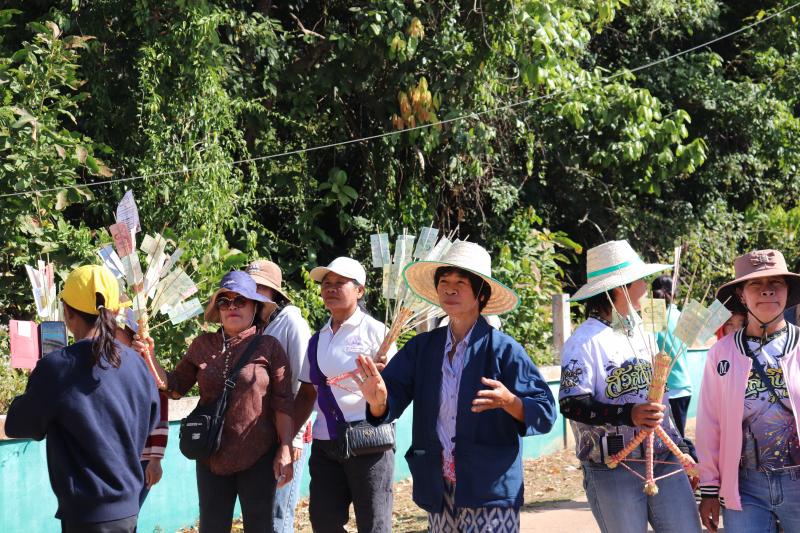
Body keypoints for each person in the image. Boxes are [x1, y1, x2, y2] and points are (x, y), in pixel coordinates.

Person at [355, 240, 557, 532]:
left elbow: (545, 411)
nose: (450, 289)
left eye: (460, 283)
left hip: (488, 486)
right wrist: (378, 402)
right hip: (438, 485)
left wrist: (509, 401)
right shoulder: (422, 348)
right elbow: (390, 396)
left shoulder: (504, 350)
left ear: (481, 294)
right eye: (444, 282)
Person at [560, 240, 701, 533]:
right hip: (612, 466)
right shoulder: (583, 342)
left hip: (663, 459)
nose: (646, 286)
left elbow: (661, 400)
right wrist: (628, 414)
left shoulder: (641, 331)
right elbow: (571, 404)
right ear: (620, 288)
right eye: (640, 280)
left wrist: (682, 448)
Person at [138, 270, 295, 533]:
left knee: (260, 527)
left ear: (255, 307)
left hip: (258, 455)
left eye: (240, 300)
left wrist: (286, 448)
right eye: (224, 301)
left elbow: (283, 403)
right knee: (212, 527)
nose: (232, 307)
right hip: (210, 454)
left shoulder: (269, 347)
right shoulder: (202, 345)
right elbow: (174, 387)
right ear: (218, 309)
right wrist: (149, 356)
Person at [5, 265, 159, 532]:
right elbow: (150, 422)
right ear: (115, 312)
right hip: (129, 511)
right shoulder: (137, 364)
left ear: (67, 312)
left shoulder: (57, 367)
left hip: (86, 516)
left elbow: (18, 425)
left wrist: (38, 382)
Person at [697, 249, 800, 533]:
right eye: (756, 284)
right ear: (741, 295)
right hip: (745, 487)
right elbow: (709, 423)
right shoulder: (721, 353)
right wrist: (709, 489)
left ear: (787, 291)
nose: (767, 291)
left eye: (776, 283)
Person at [293, 257, 396, 533]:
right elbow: (307, 392)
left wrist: (383, 379)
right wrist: (289, 438)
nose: (330, 288)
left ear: (359, 290)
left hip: (369, 440)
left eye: (340, 283)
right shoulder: (318, 338)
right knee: (323, 521)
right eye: (326, 283)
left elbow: (396, 390)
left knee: (373, 525)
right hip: (326, 443)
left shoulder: (378, 333)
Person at [246, 259, 313, 533]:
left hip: (290, 432)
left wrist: (293, 439)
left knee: (278, 514)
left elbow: (305, 385)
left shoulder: (291, 323)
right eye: (249, 286)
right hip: (262, 435)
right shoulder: (257, 325)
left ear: (274, 291)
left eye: (260, 287)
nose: (253, 292)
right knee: (263, 514)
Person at [114, 304, 168, 507]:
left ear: (132, 336)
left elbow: (160, 414)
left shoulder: (147, 369)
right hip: (114, 455)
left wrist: (155, 460)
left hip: (141, 458)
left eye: (115, 332)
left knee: (129, 510)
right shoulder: (106, 365)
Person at [651, 276, 693, 445]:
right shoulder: (684, 315)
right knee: (677, 439)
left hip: (665, 389)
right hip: (685, 387)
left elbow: (650, 348)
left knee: (672, 443)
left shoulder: (654, 316)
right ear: (674, 293)